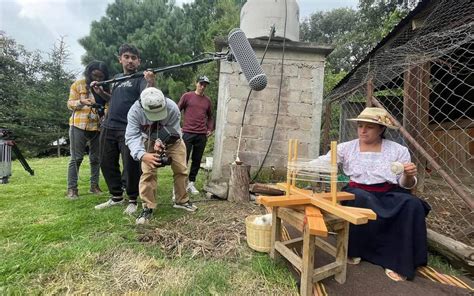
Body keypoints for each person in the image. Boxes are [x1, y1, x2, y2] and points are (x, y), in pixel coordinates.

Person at [311, 107, 430, 282]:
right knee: (361, 198)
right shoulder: (346, 148)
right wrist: (297, 165)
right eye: (360, 126)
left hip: (387, 192)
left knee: (412, 204)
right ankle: (356, 250)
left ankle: (397, 259)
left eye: (369, 127)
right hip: (357, 192)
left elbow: (406, 184)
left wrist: (409, 175)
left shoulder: (398, 150)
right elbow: (324, 161)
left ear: (382, 129)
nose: (363, 130)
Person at [94, 44, 155, 215]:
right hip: (108, 125)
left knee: (130, 165)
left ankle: (133, 198)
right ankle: (116, 197)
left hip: (128, 128)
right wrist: (100, 92)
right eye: (126, 57)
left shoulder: (140, 79)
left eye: (133, 58)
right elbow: (113, 99)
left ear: (138, 61)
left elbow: (148, 95)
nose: (130, 60)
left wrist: (150, 81)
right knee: (106, 161)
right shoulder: (117, 78)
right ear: (120, 59)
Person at [125, 87, 198, 224]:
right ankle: (148, 206)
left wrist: (162, 142)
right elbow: (131, 137)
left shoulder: (172, 108)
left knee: (181, 170)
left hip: (174, 140)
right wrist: (142, 155)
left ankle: (181, 200)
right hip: (148, 141)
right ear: (143, 106)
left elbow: (173, 131)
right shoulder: (134, 112)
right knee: (148, 173)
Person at [66, 61, 110, 199]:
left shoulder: (105, 87)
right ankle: (72, 189)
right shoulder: (78, 84)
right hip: (78, 124)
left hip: (97, 125)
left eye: (100, 76)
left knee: (96, 158)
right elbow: (70, 103)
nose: (97, 79)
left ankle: (94, 186)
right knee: (76, 158)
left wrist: (106, 115)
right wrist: (81, 102)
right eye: (94, 75)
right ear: (89, 73)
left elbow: (108, 104)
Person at [177, 75, 214, 195]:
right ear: (196, 83)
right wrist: (178, 127)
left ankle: (191, 183)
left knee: (197, 160)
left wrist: (209, 128)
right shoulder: (187, 96)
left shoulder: (207, 100)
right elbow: (177, 111)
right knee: (184, 159)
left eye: (205, 85)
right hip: (187, 132)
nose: (203, 86)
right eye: (201, 84)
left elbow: (210, 117)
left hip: (201, 134)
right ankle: (181, 183)